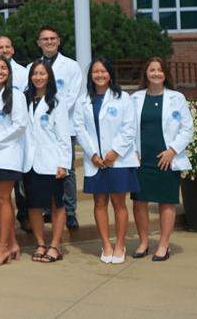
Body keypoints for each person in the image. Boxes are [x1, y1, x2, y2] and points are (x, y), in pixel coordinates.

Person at [75, 57, 139, 264]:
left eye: (103, 71)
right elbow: (79, 128)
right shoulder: (83, 99)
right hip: (95, 161)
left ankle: (120, 244)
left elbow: (129, 128)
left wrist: (114, 153)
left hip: (118, 160)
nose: (99, 75)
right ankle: (106, 244)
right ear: (90, 76)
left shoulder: (123, 98)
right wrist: (93, 154)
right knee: (99, 202)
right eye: (95, 72)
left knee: (119, 203)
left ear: (110, 74)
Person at [131, 57, 193, 261]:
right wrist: (133, 151)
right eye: (152, 70)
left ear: (165, 73)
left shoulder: (177, 98)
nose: (156, 73)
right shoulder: (136, 98)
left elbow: (187, 129)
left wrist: (172, 151)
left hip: (166, 158)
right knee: (139, 201)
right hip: (142, 158)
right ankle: (143, 242)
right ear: (146, 73)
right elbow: (128, 128)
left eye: (159, 70)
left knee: (167, 201)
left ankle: (164, 245)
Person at [22, 61, 70, 264]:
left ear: (49, 76)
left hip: (51, 161)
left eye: (42, 73)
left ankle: (55, 245)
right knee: (33, 205)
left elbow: (63, 136)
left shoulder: (57, 102)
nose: (38, 77)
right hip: (29, 162)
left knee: (56, 204)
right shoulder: (23, 100)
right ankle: (41, 243)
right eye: (35, 74)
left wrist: (63, 163)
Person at [37, 25, 85, 229]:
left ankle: (70, 211)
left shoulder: (72, 66)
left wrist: (53, 112)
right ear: (39, 43)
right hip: (43, 127)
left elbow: (71, 97)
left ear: (59, 41)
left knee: (67, 170)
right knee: (46, 167)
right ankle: (48, 208)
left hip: (65, 125)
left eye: (52, 38)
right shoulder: (35, 66)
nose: (49, 42)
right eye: (45, 39)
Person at [0, 56, 27, 266]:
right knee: (3, 200)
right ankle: (13, 244)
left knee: (2, 199)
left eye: (3, 68)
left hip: (6, 154)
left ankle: (2, 249)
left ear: (9, 72)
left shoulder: (15, 95)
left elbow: (20, 125)